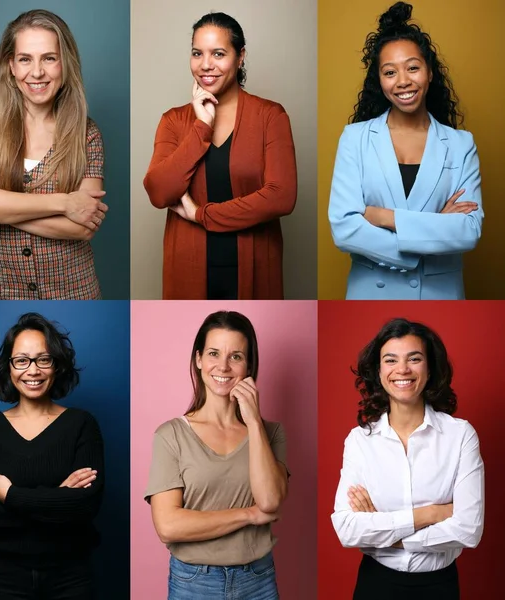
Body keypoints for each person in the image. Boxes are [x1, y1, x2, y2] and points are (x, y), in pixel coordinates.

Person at [328, 2, 483, 300]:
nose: (403, 81)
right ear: (380, 80)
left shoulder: (461, 144)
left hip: (442, 295)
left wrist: (385, 217)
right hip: (370, 294)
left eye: (413, 67)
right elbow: (344, 228)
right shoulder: (355, 138)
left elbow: (468, 230)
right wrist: (435, 226)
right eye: (390, 72)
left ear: (430, 73)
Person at [143, 12, 297, 300]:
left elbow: (281, 196)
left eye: (218, 53)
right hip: (187, 268)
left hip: (255, 265)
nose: (206, 65)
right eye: (197, 53)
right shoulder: (174, 121)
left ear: (240, 57)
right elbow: (159, 192)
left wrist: (202, 214)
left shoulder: (270, 116)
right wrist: (201, 128)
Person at [331, 318, 484, 600]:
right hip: (376, 584)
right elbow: (347, 530)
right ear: (378, 372)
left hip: (439, 587)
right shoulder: (359, 441)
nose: (402, 369)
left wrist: (384, 532)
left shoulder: (460, 435)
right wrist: (430, 515)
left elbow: (468, 529)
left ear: (429, 369)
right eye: (390, 360)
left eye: (414, 359)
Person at [0, 9, 108, 300]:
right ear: (11, 66)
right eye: (25, 59)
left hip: (74, 293)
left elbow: (82, 228)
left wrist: (0, 204)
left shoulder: (87, 134)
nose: (37, 72)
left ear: (65, 64)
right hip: (0, 293)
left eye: (49, 58)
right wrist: (65, 203)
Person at [145, 311, 289, 599]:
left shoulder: (270, 433)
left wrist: (254, 422)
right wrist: (249, 514)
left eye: (236, 356)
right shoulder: (171, 434)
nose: (223, 366)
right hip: (194, 582)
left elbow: (271, 500)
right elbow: (169, 527)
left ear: (249, 365)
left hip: (258, 580)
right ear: (198, 359)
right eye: (213, 353)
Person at [0, 312, 104, 599]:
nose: (33, 370)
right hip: (5, 577)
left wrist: (12, 495)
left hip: (71, 575)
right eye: (22, 360)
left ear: (56, 365)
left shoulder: (82, 424)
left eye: (44, 359)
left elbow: (85, 507)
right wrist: (57, 498)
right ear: (9, 367)